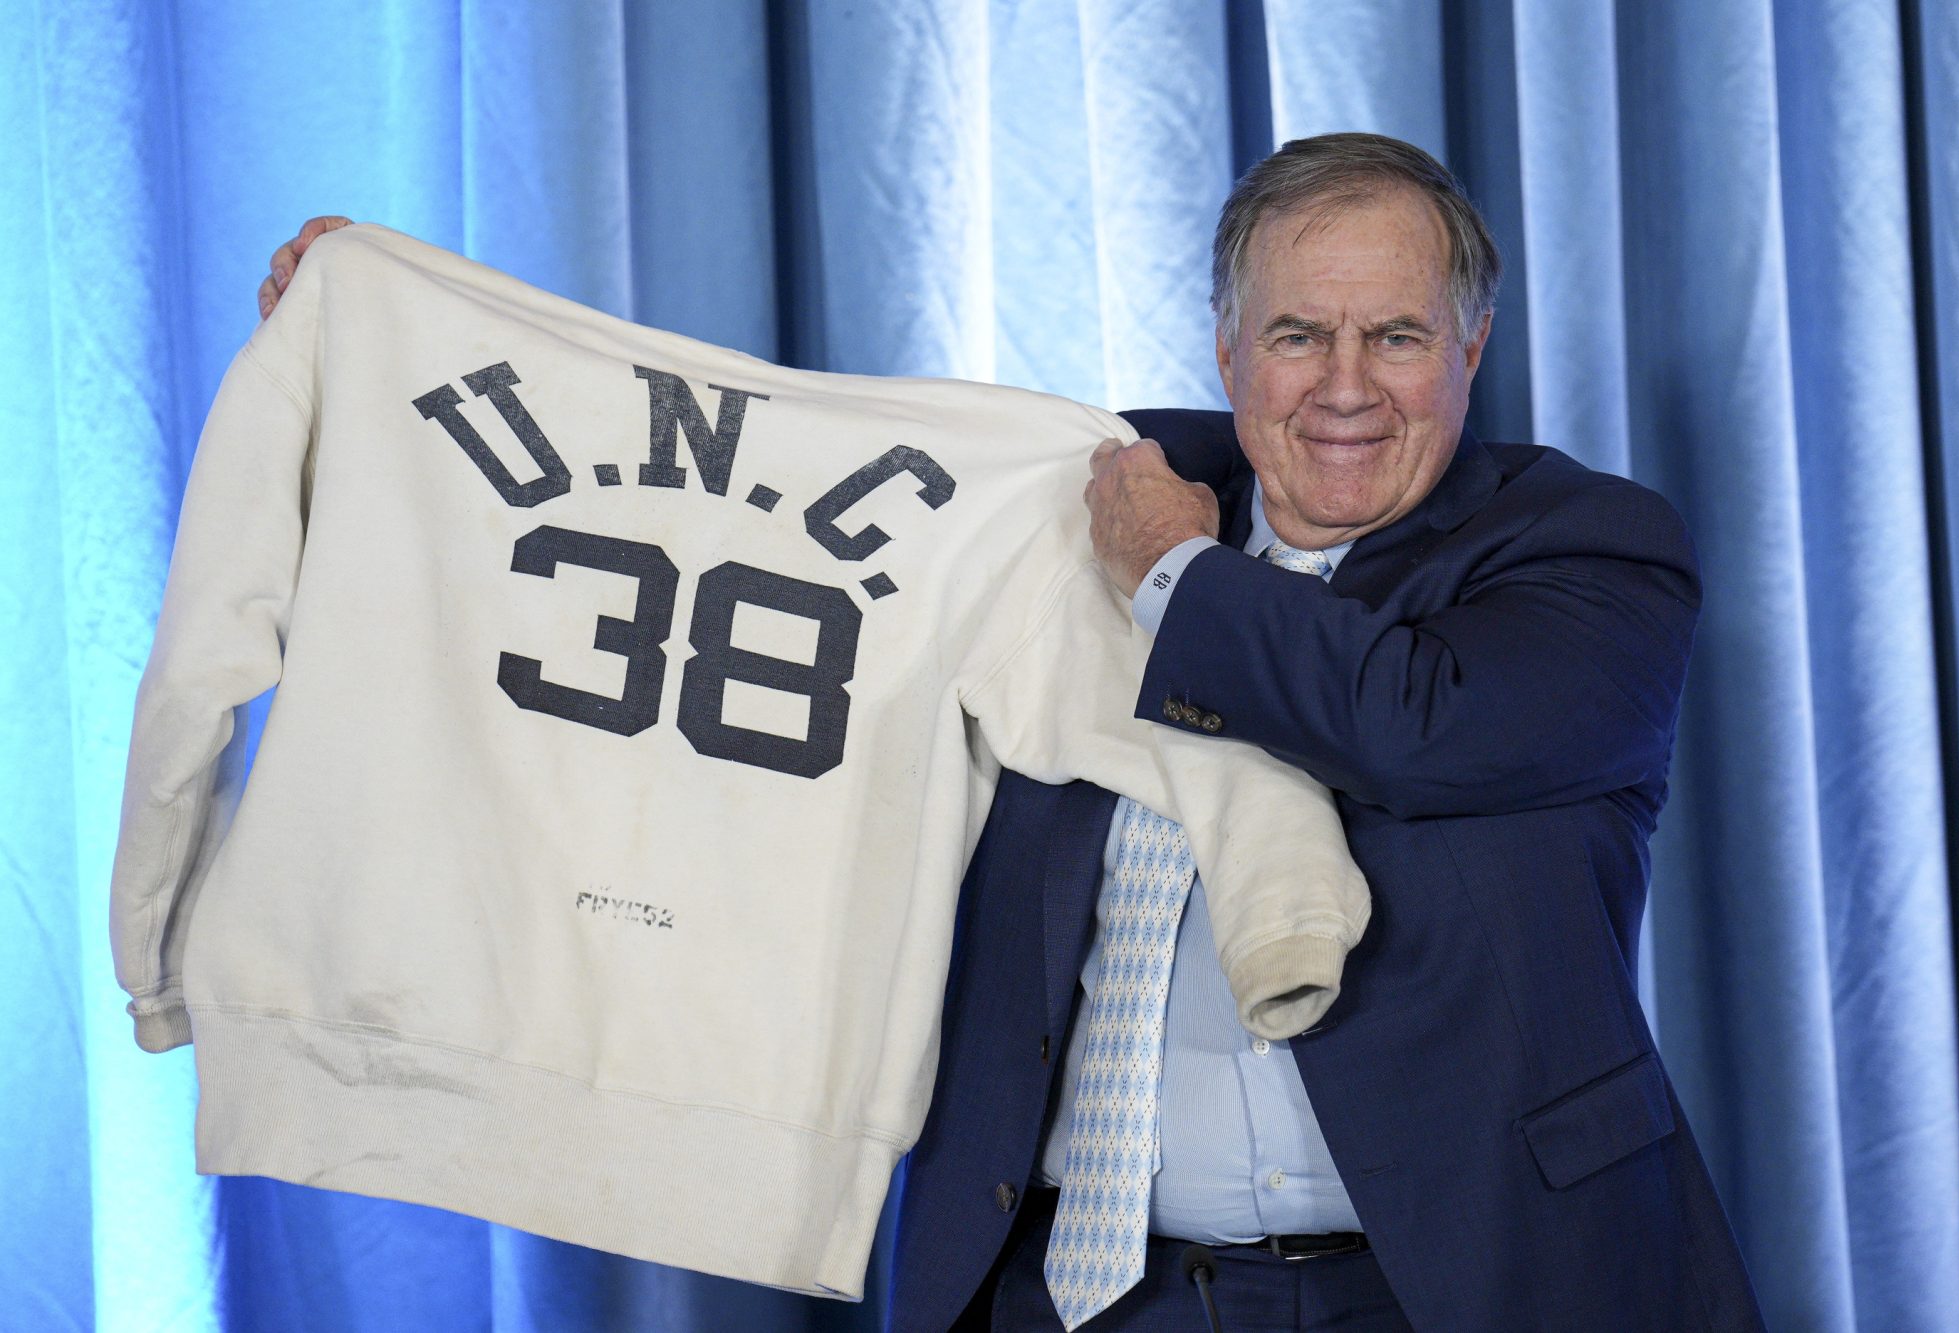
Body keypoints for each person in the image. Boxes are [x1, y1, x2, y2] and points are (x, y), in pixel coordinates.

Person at [261, 132, 1761, 1330]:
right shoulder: (1061, 504)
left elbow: (1414, 723)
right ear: (1227, 351)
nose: (1346, 388)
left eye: (1399, 337)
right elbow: (752, 458)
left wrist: (1176, 573)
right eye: (1299, 334)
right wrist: (407, 341)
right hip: (1067, 1289)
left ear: (1475, 346)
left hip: (1451, 1284)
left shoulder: (1591, 552)